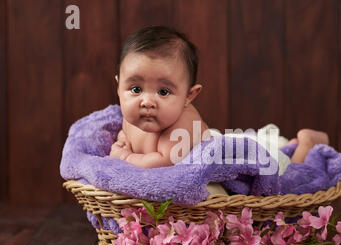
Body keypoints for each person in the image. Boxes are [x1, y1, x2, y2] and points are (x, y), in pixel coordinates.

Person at [110, 25, 329, 168]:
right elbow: (126, 138)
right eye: (136, 89)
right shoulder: (131, 117)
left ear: (189, 95)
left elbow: (163, 162)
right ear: (119, 87)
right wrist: (122, 143)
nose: (146, 101)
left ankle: (306, 146)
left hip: (230, 162)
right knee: (274, 152)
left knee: (281, 174)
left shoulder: (182, 123)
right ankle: (286, 147)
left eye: (164, 92)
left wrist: (126, 158)